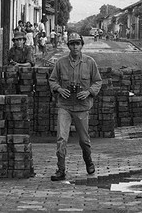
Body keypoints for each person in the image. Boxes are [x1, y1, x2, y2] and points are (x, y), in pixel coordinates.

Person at [48, 33, 102, 181]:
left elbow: (98, 81)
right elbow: (52, 80)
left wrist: (88, 92)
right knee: (61, 138)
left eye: (77, 43)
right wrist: (59, 89)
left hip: (82, 107)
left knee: (84, 140)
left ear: (82, 45)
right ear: (68, 46)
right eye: (72, 44)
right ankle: (61, 169)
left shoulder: (90, 63)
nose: (75, 47)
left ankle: (88, 160)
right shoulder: (60, 63)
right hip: (65, 106)